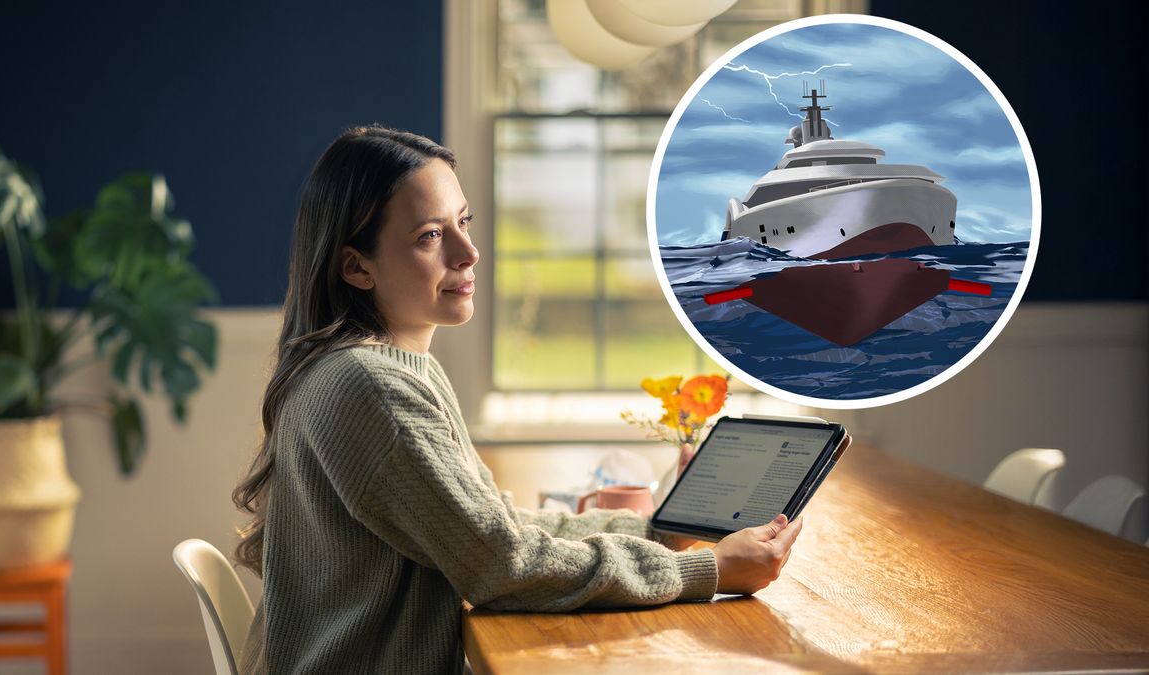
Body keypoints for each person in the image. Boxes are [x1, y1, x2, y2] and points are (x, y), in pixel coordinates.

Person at [232, 125, 830, 674]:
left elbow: (495, 527)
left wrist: (653, 532)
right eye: (430, 236)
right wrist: (709, 571)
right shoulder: (370, 387)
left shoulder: (378, 369)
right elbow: (502, 564)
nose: (467, 254)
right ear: (356, 268)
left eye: (463, 222)